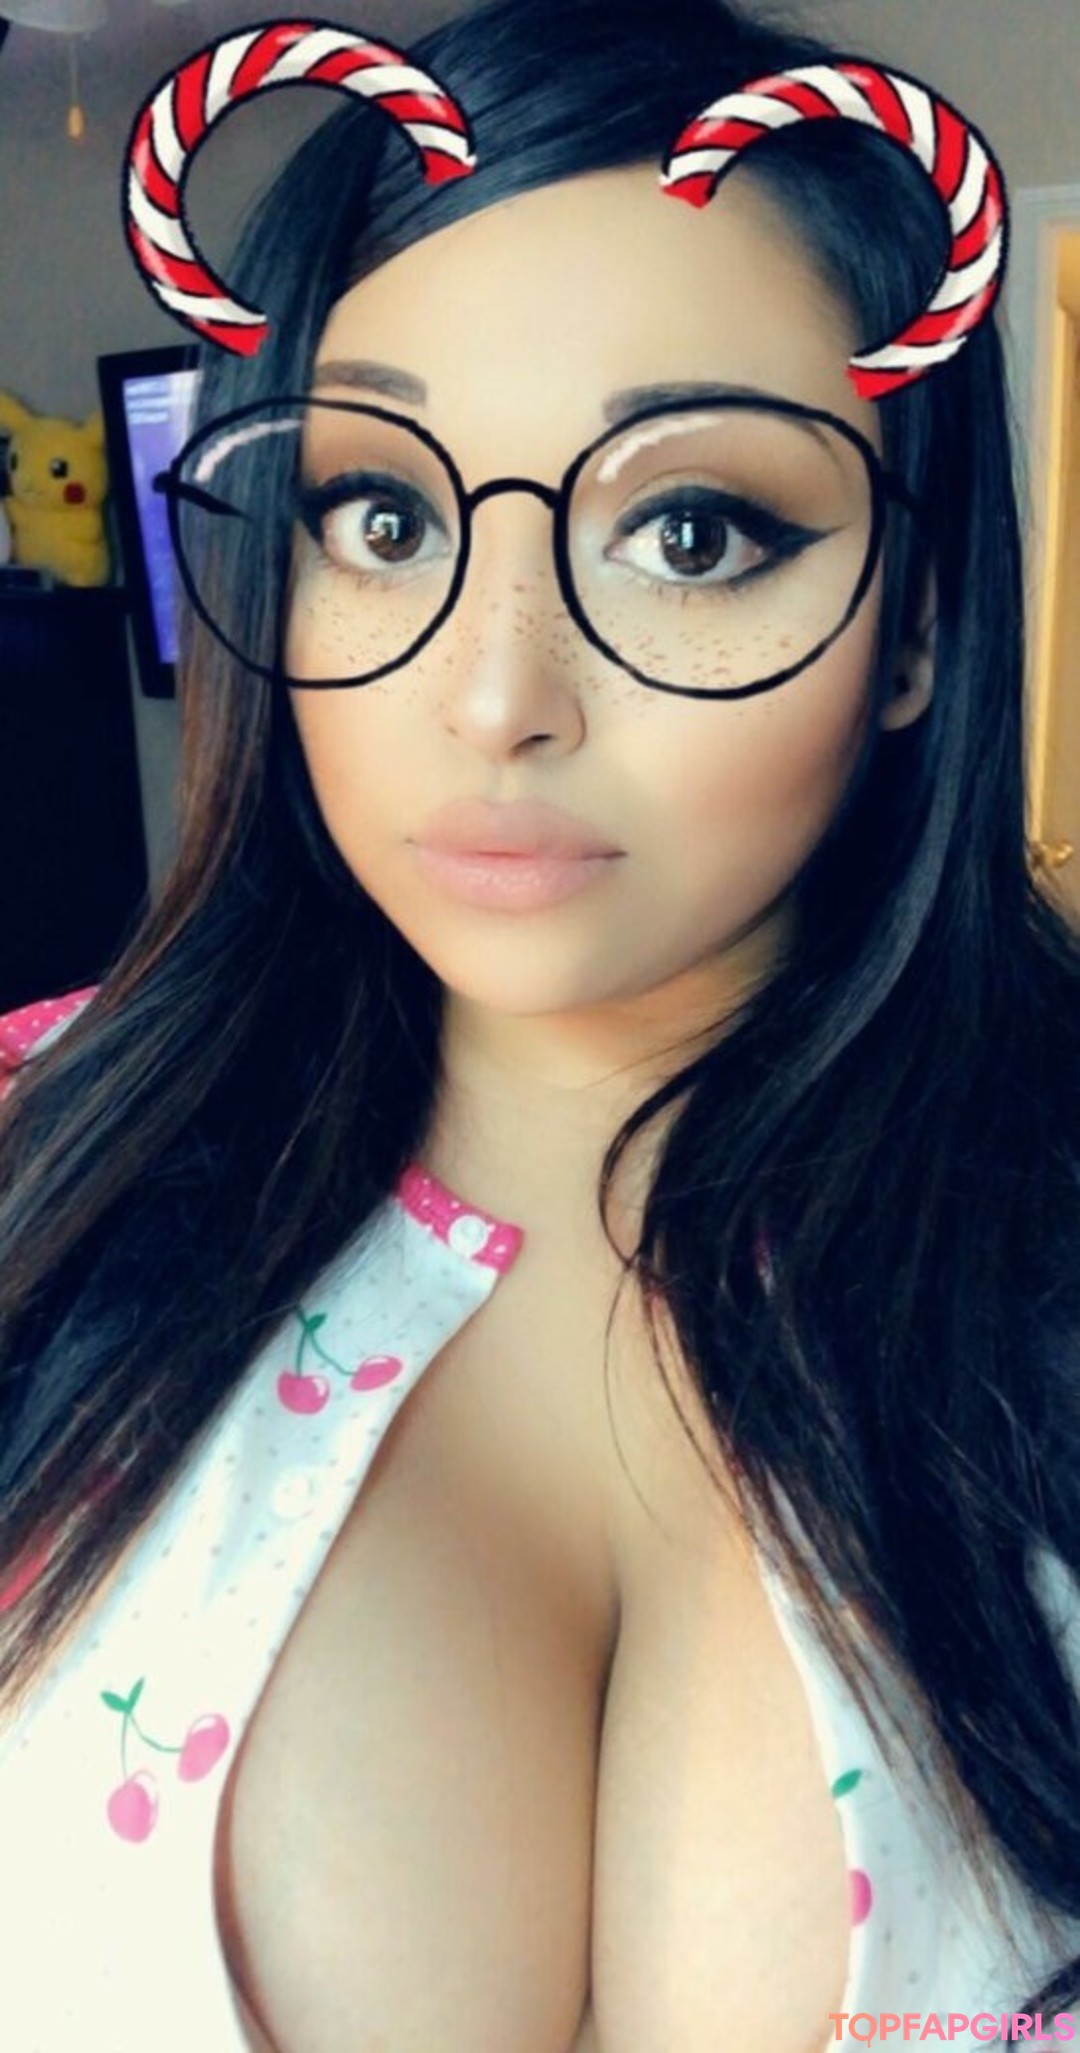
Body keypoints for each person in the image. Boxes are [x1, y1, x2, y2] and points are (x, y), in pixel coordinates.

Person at [1, 0, 1079, 2045]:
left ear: (920, 622)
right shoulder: (31, 1169)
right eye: (383, 514)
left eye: (691, 531)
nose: (495, 696)